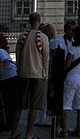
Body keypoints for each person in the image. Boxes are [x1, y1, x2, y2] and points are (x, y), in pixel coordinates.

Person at [11, 11, 50, 139]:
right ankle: (29, 134)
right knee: (34, 106)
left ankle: (13, 132)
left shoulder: (22, 36)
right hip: (38, 75)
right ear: (39, 21)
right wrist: (45, 73)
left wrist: (19, 69)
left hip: (23, 74)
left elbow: (18, 55)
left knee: (18, 105)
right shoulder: (43, 37)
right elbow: (46, 58)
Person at [0, 35, 18, 132]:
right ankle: (9, 122)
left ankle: (11, 123)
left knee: (9, 101)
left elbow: (6, 62)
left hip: (10, 77)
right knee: (7, 102)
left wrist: (1, 70)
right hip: (5, 78)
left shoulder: (0, 51)